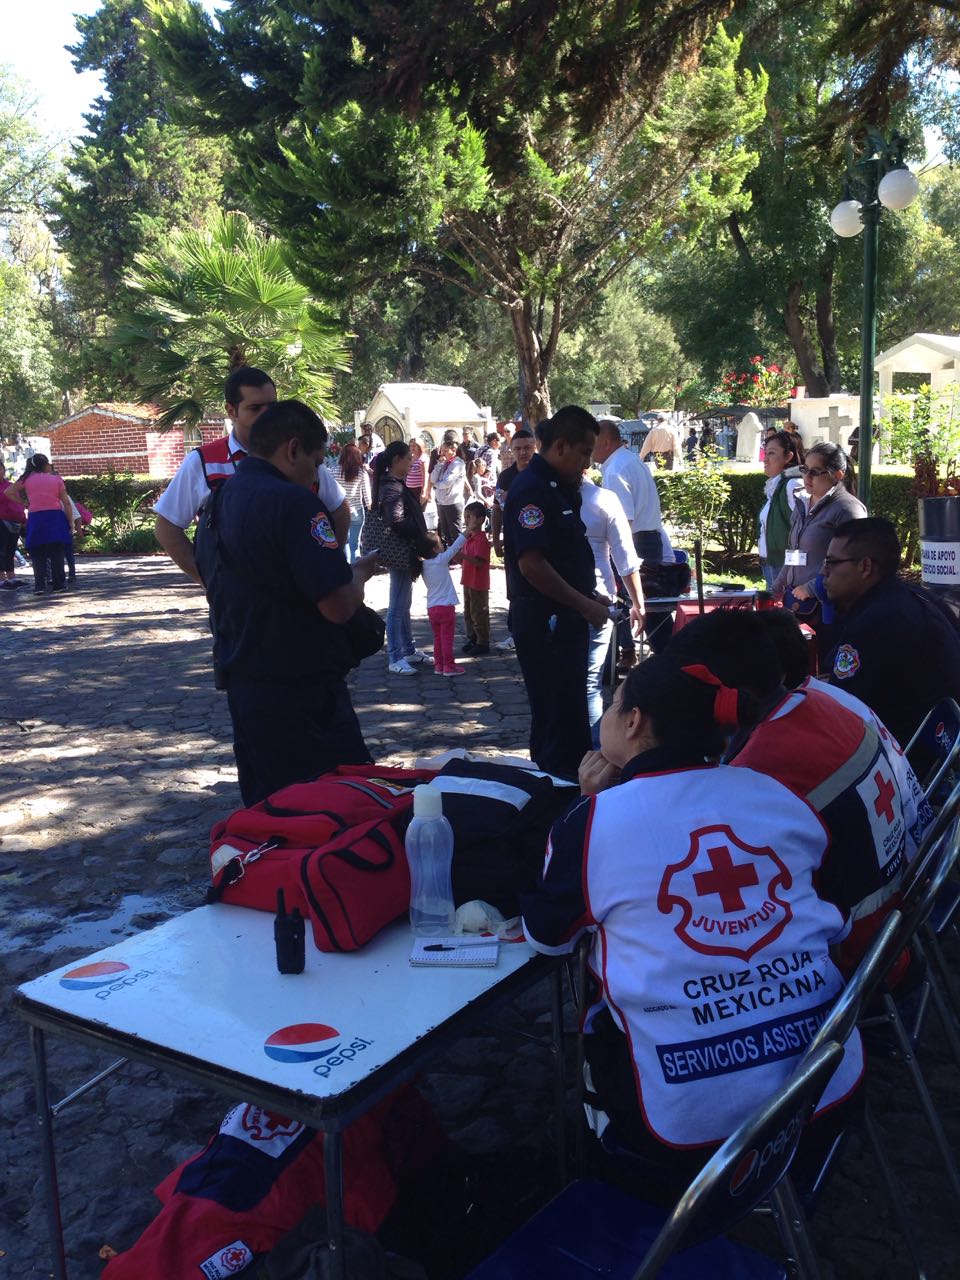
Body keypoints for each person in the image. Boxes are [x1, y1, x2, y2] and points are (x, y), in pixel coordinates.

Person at [521, 653, 862, 1191]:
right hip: (824, 1084)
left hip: (690, 1132)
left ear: (633, 722)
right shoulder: (779, 796)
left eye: (613, 705)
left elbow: (546, 938)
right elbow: (834, 917)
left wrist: (591, 806)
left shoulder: (592, 824)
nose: (607, 716)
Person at [667, 609, 932, 966]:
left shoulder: (759, 769)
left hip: (851, 955)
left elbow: (690, 871)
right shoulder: (822, 703)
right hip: (893, 921)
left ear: (726, 697)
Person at [193, 401, 377, 805]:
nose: (315, 475)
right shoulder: (295, 503)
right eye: (315, 462)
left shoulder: (216, 502)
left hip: (244, 682)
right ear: (293, 449)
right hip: (301, 690)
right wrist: (359, 575)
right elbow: (337, 606)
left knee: (267, 812)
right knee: (335, 809)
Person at [154, 367, 350, 584]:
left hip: (298, 601)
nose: (267, 415)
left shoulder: (300, 454)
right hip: (238, 608)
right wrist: (211, 581)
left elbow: (339, 509)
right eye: (255, 408)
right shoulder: (202, 461)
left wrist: (326, 568)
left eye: (272, 406)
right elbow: (167, 528)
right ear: (231, 411)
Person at [503, 407, 610, 778]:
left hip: (565, 617)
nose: (586, 463)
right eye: (583, 453)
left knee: (569, 718)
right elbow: (531, 565)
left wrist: (587, 596)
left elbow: (562, 555)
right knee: (556, 723)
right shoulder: (532, 489)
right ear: (561, 446)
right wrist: (582, 603)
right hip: (545, 622)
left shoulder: (559, 487)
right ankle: (555, 801)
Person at [821, 517, 960, 751]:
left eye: (831, 563)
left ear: (865, 567)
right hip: (935, 745)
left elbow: (840, 707)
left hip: (901, 759)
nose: (823, 572)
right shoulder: (917, 597)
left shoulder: (877, 621)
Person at [592, 418, 672, 656]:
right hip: (648, 539)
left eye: (593, 442)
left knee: (642, 605)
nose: (589, 448)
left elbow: (622, 520)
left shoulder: (616, 470)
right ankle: (638, 652)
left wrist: (612, 549)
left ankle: (663, 658)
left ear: (605, 442)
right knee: (648, 604)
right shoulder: (630, 461)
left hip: (636, 541)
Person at [771, 441, 866, 637]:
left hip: (828, 610)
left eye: (815, 472)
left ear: (837, 475)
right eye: (805, 469)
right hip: (796, 605)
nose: (807, 477)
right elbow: (795, 552)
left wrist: (814, 587)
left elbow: (854, 563)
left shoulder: (848, 509)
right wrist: (778, 584)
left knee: (824, 663)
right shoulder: (802, 504)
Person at [579, 477, 645, 745]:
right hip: (598, 598)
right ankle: (595, 750)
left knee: (568, 682)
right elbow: (625, 557)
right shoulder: (604, 499)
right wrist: (638, 603)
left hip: (564, 598)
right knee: (588, 683)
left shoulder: (545, 494)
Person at [362, 441, 435, 675]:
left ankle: (408, 649)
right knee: (397, 606)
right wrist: (420, 536)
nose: (412, 462)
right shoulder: (392, 486)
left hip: (404, 551)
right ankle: (395, 656)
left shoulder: (391, 483)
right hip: (401, 551)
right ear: (396, 461)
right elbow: (396, 520)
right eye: (408, 458)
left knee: (404, 604)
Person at [491, 427, 537, 653]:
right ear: (511, 450)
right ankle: (515, 631)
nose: (523, 453)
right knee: (515, 587)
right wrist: (496, 538)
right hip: (513, 541)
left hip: (540, 542)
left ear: (535, 447)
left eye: (527, 448)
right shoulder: (506, 477)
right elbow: (497, 508)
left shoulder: (543, 473)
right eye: (518, 448)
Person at [12, 454, 73, 594]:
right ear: (46, 465)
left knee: (37, 552)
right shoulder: (56, 479)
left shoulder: (26, 479)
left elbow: (9, 491)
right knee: (57, 551)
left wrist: (24, 503)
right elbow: (66, 502)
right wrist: (71, 523)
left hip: (36, 517)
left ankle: (39, 585)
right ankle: (59, 584)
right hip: (54, 516)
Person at [757, 429, 804, 590]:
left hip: (784, 567)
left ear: (788, 456)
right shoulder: (776, 486)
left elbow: (802, 532)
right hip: (771, 564)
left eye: (771, 453)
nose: (765, 459)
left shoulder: (793, 484)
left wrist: (790, 569)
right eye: (765, 453)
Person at [420, 530, 467, 676]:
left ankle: (439, 666)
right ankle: (449, 667)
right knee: (447, 639)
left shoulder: (422, 565)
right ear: (435, 549)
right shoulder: (441, 560)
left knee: (437, 638)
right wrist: (469, 529)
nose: (443, 546)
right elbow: (456, 546)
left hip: (432, 608)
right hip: (446, 607)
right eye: (441, 543)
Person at [460, 500, 492, 655]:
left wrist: (463, 556)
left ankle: (482, 641)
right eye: (465, 517)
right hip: (467, 580)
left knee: (478, 611)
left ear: (480, 520)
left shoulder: (481, 539)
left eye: (469, 517)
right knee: (468, 611)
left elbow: (479, 562)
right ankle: (472, 637)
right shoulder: (467, 538)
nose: (466, 520)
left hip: (478, 582)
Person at [335, 443, 371, 564]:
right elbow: (367, 496)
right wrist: (371, 507)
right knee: (354, 544)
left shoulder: (334, 471)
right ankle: (355, 570)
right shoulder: (361, 473)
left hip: (339, 511)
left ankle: (346, 569)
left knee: (344, 542)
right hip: (357, 511)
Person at [429, 441, 469, 544]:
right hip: (441, 502)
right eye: (442, 450)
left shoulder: (457, 463)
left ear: (453, 450)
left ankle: (460, 556)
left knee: (455, 532)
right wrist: (439, 464)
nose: (443, 453)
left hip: (453, 502)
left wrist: (436, 485)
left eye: (446, 451)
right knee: (445, 532)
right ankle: (450, 557)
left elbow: (447, 482)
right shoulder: (444, 462)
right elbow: (432, 479)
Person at [0, 461, 26, 590]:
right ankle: (2, 580)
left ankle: (12, 578)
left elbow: (19, 503)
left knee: (10, 551)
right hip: (1, 521)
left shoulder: (10, 486)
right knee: (1, 551)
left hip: (15, 521)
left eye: (1, 469)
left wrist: (23, 518)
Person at [405, 439, 426, 505]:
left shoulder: (422, 458)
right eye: (410, 446)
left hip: (418, 489)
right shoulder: (410, 458)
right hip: (409, 489)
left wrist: (423, 491)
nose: (412, 448)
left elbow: (425, 476)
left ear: (420, 446)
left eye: (414, 446)